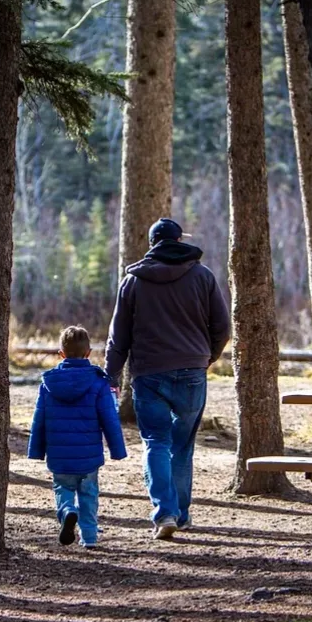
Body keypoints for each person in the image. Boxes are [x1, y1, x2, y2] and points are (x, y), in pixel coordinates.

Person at [105, 217, 231, 540]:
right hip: (192, 372)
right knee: (182, 446)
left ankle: (165, 514)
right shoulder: (202, 277)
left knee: (156, 443)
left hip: (148, 375)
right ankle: (182, 514)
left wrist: (111, 374)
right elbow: (222, 328)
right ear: (178, 241)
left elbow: (118, 337)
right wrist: (207, 357)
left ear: (152, 245)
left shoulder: (133, 282)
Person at [28, 325, 126, 548]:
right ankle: (89, 538)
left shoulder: (48, 384)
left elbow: (39, 418)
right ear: (88, 353)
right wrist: (117, 450)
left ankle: (67, 511)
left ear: (61, 354)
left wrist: (36, 450)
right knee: (89, 494)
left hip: (59, 454)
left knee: (62, 488)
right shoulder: (99, 382)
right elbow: (109, 418)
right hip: (89, 455)